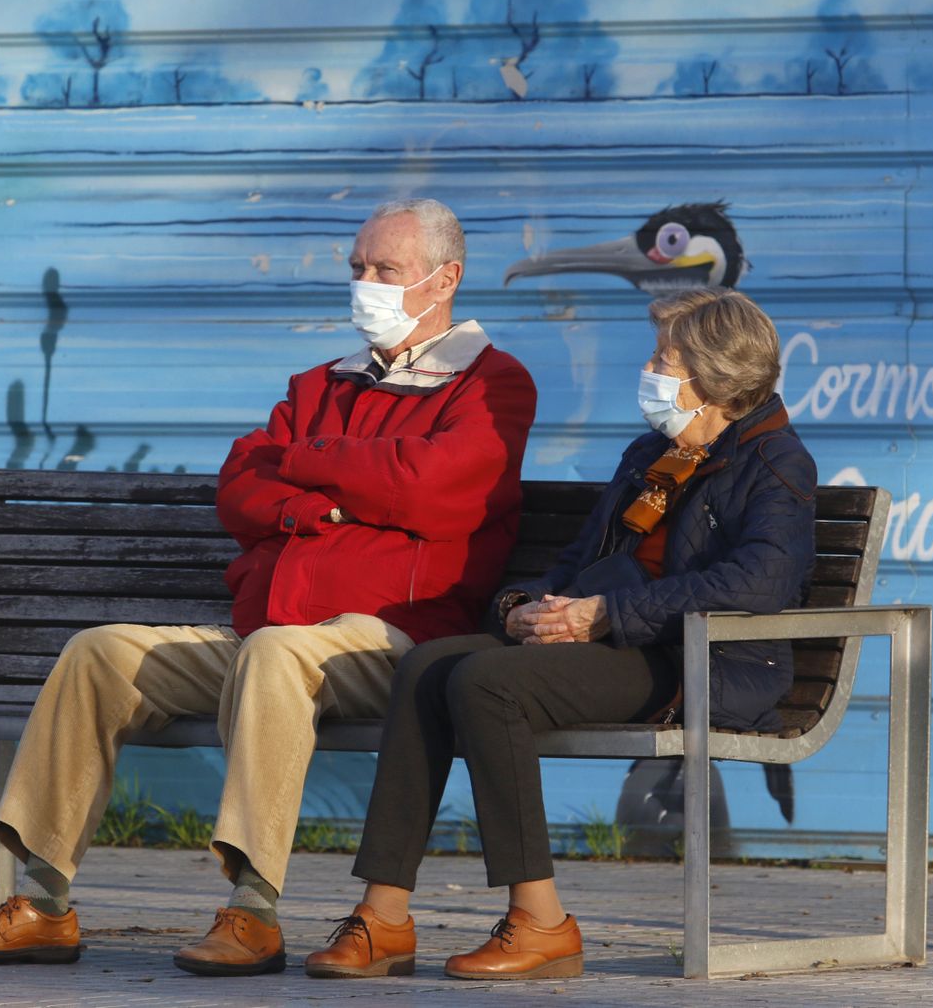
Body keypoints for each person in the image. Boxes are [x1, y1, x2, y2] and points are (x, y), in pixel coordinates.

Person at [0, 199, 537, 975]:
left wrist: (310, 458)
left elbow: (437, 489)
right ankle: (43, 903)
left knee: (278, 654)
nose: (365, 285)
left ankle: (252, 913)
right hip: (273, 631)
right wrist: (343, 496)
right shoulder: (322, 381)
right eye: (357, 269)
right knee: (98, 654)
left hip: (395, 638)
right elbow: (240, 487)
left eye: (386, 270)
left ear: (444, 279)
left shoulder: (493, 383)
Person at [305, 287, 816, 981]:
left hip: (692, 663)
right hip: (609, 641)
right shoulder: (653, 454)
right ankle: (383, 917)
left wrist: (606, 616)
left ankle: (541, 921)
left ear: (713, 376)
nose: (651, 370)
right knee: (428, 667)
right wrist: (524, 608)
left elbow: (763, 580)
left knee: (488, 684)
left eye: (664, 357)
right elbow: (582, 562)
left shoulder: (775, 461)